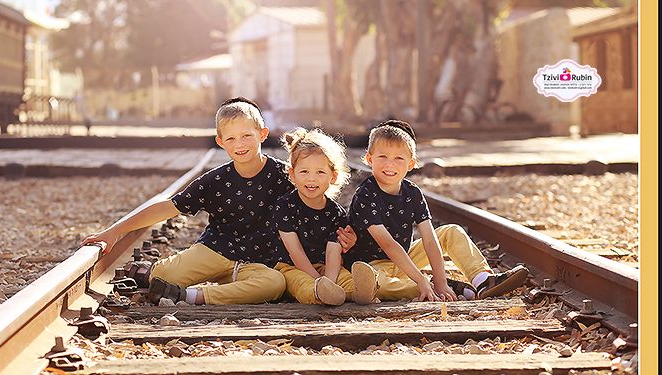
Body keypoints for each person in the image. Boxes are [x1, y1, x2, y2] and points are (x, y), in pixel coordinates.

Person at [82, 97, 290, 305]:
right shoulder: (215, 181)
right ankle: (151, 271)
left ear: (262, 134)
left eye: (246, 136)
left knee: (275, 284)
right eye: (231, 139)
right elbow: (168, 207)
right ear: (220, 142)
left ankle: (191, 296)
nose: (240, 144)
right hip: (215, 251)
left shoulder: (285, 175)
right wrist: (114, 232)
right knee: (162, 277)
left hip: (257, 264)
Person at [343, 119, 529, 302]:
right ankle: (429, 287)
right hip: (372, 265)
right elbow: (389, 245)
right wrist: (422, 280)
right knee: (378, 286)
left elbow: (430, 239)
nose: (390, 164)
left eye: (398, 158)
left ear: (411, 164)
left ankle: (482, 280)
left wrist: (441, 279)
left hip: (406, 257)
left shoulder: (413, 193)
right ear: (369, 159)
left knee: (451, 232)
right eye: (382, 157)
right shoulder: (365, 196)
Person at [269, 127, 378, 305]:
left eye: (320, 172)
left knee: (344, 277)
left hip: (325, 266)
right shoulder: (285, 206)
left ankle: (357, 293)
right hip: (291, 267)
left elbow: (333, 251)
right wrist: (319, 281)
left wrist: (330, 279)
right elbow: (295, 251)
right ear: (292, 174)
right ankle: (320, 295)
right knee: (303, 285)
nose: (311, 179)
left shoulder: (336, 213)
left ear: (333, 176)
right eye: (304, 172)